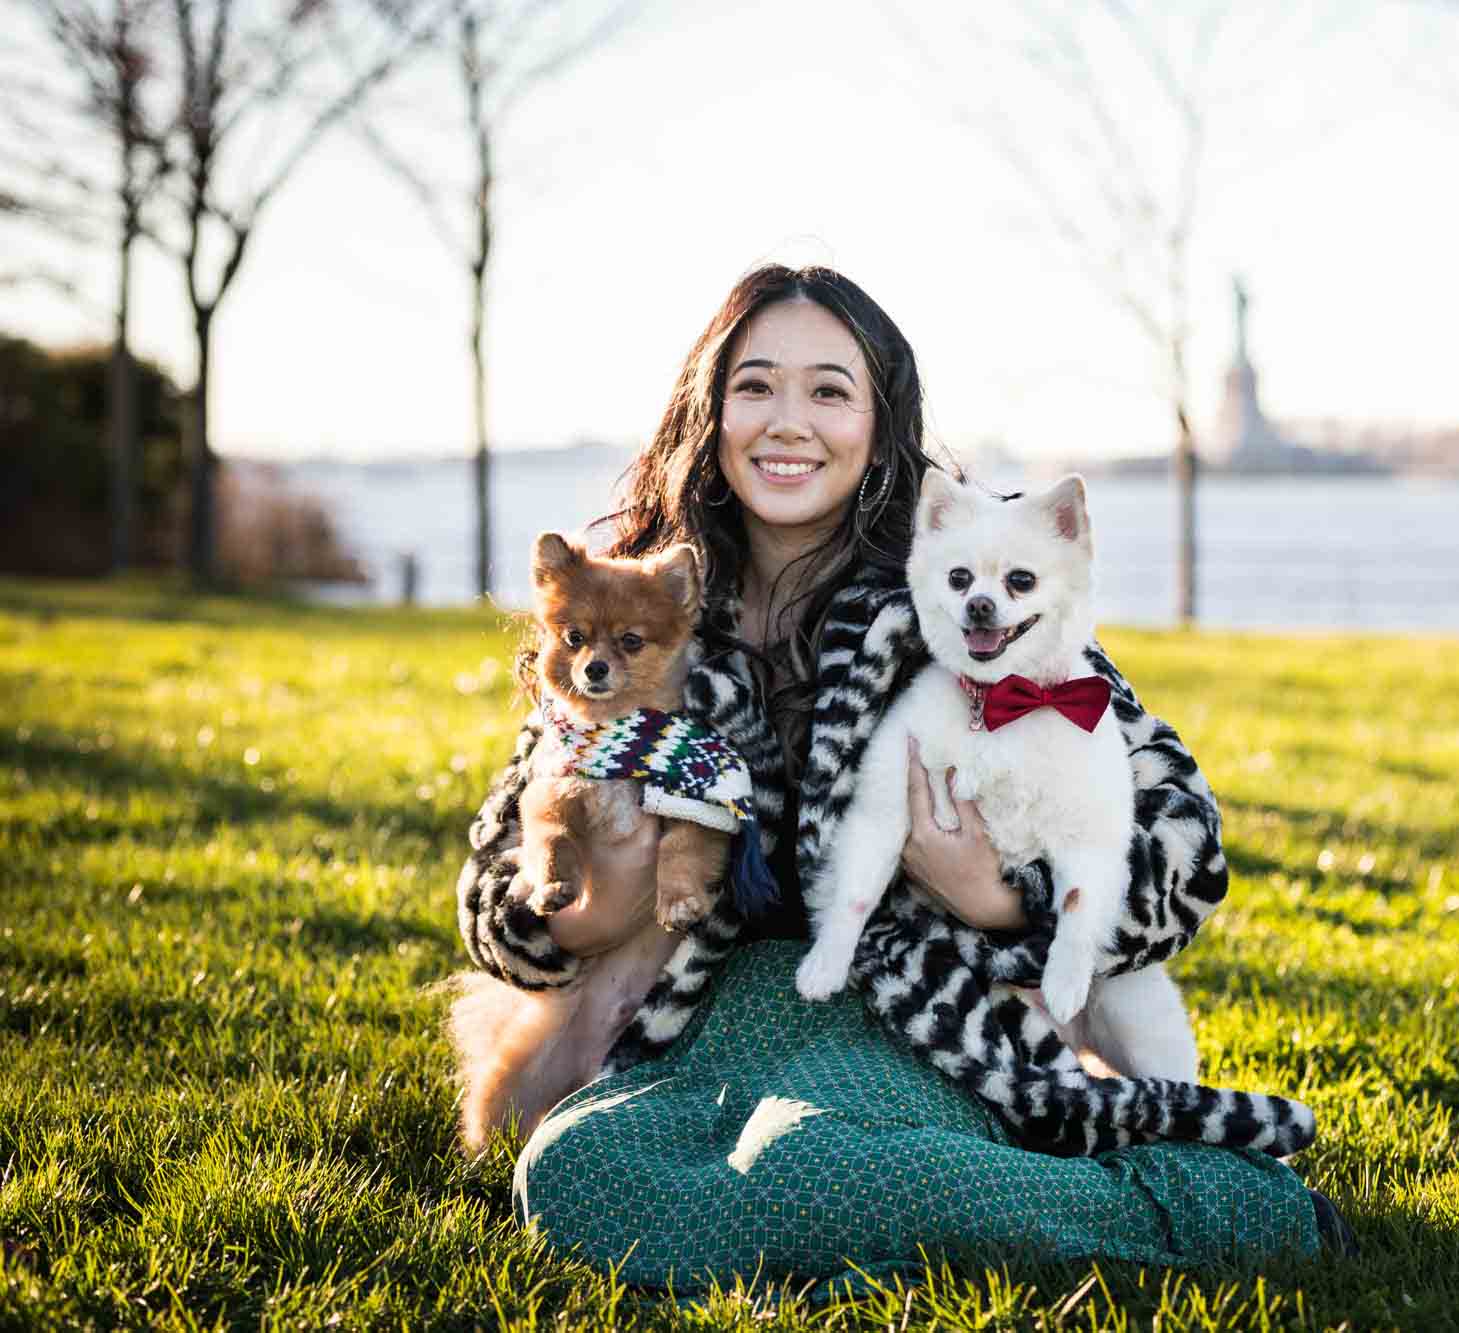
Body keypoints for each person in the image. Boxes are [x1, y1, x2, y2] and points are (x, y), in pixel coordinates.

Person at [454, 264, 1354, 1295]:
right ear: (709, 414)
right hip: (694, 1025)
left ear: (881, 425)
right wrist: (573, 911)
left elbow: (1179, 849)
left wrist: (994, 895)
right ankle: (927, 1212)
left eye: (829, 391)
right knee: (575, 1171)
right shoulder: (638, 601)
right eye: (755, 387)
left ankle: (1202, 1202)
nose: (787, 421)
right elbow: (496, 884)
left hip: (906, 1015)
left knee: (800, 1164)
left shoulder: (970, 591)